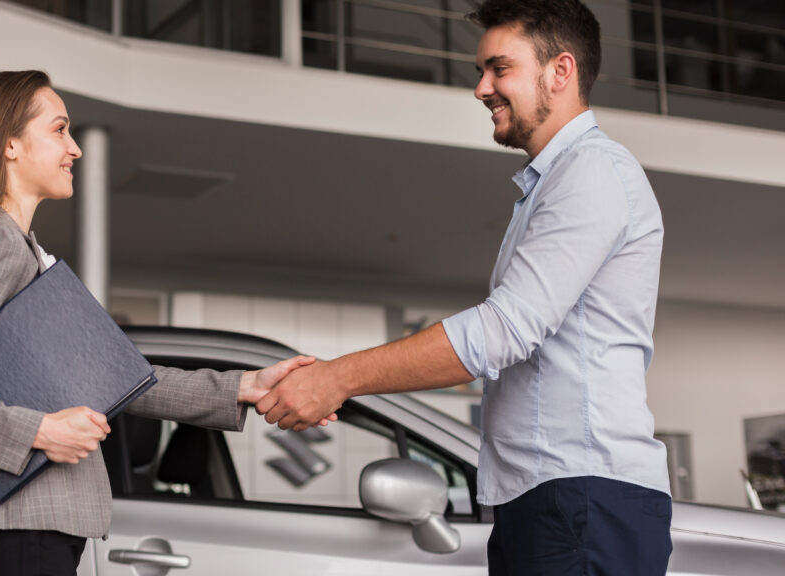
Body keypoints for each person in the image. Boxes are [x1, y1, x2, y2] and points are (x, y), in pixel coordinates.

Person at [256, 0, 672, 573]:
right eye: (482, 72)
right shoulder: (552, 184)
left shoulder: (593, 173)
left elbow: (501, 331)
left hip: (580, 499)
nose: (481, 89)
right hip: (553, 498)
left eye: (499, 69)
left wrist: (337, 378)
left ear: (561, 70)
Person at [0, 70, 318, 576]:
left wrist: (243, 386)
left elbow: (115, 378)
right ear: (10, 145)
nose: (76, 149)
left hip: (34, 526)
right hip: (23, 526)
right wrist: (39, 431)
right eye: (60, 130)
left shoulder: (22, 252)